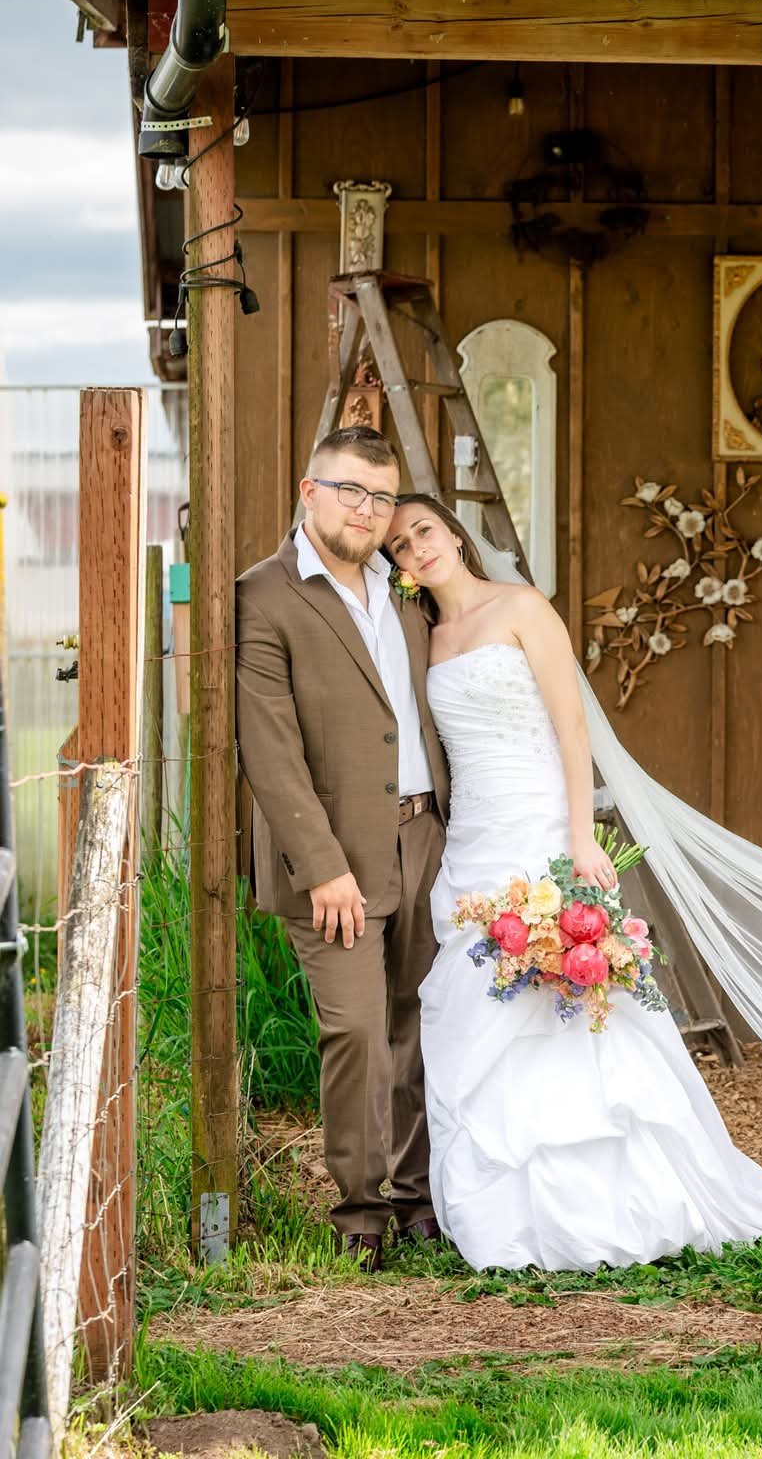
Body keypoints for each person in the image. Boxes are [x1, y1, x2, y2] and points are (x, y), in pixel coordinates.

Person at [386, 495, 762, 1271]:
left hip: (543, 825)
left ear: (452, 532)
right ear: (400, 571)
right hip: (475, 842)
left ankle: (628, 1195)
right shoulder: (425, 636)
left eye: (424, 531)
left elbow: (571, 725)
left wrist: (581, 838)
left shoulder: (520, 607)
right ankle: (509, 1210)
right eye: (400, 547)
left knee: (576, 1005)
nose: (416, 549)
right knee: (483, 1001)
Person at [236, 427, 450, 1271]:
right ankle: (360, 1210)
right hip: (336, 858)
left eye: (382, 497)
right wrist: (322, 866)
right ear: (308, 490)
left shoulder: (405, 593)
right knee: (357, 1030)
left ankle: (417, 1195)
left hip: (426, 835)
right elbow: (269, 746)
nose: (368, 511)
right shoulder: (266, 594)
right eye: (351, 491)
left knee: (417, 1022)